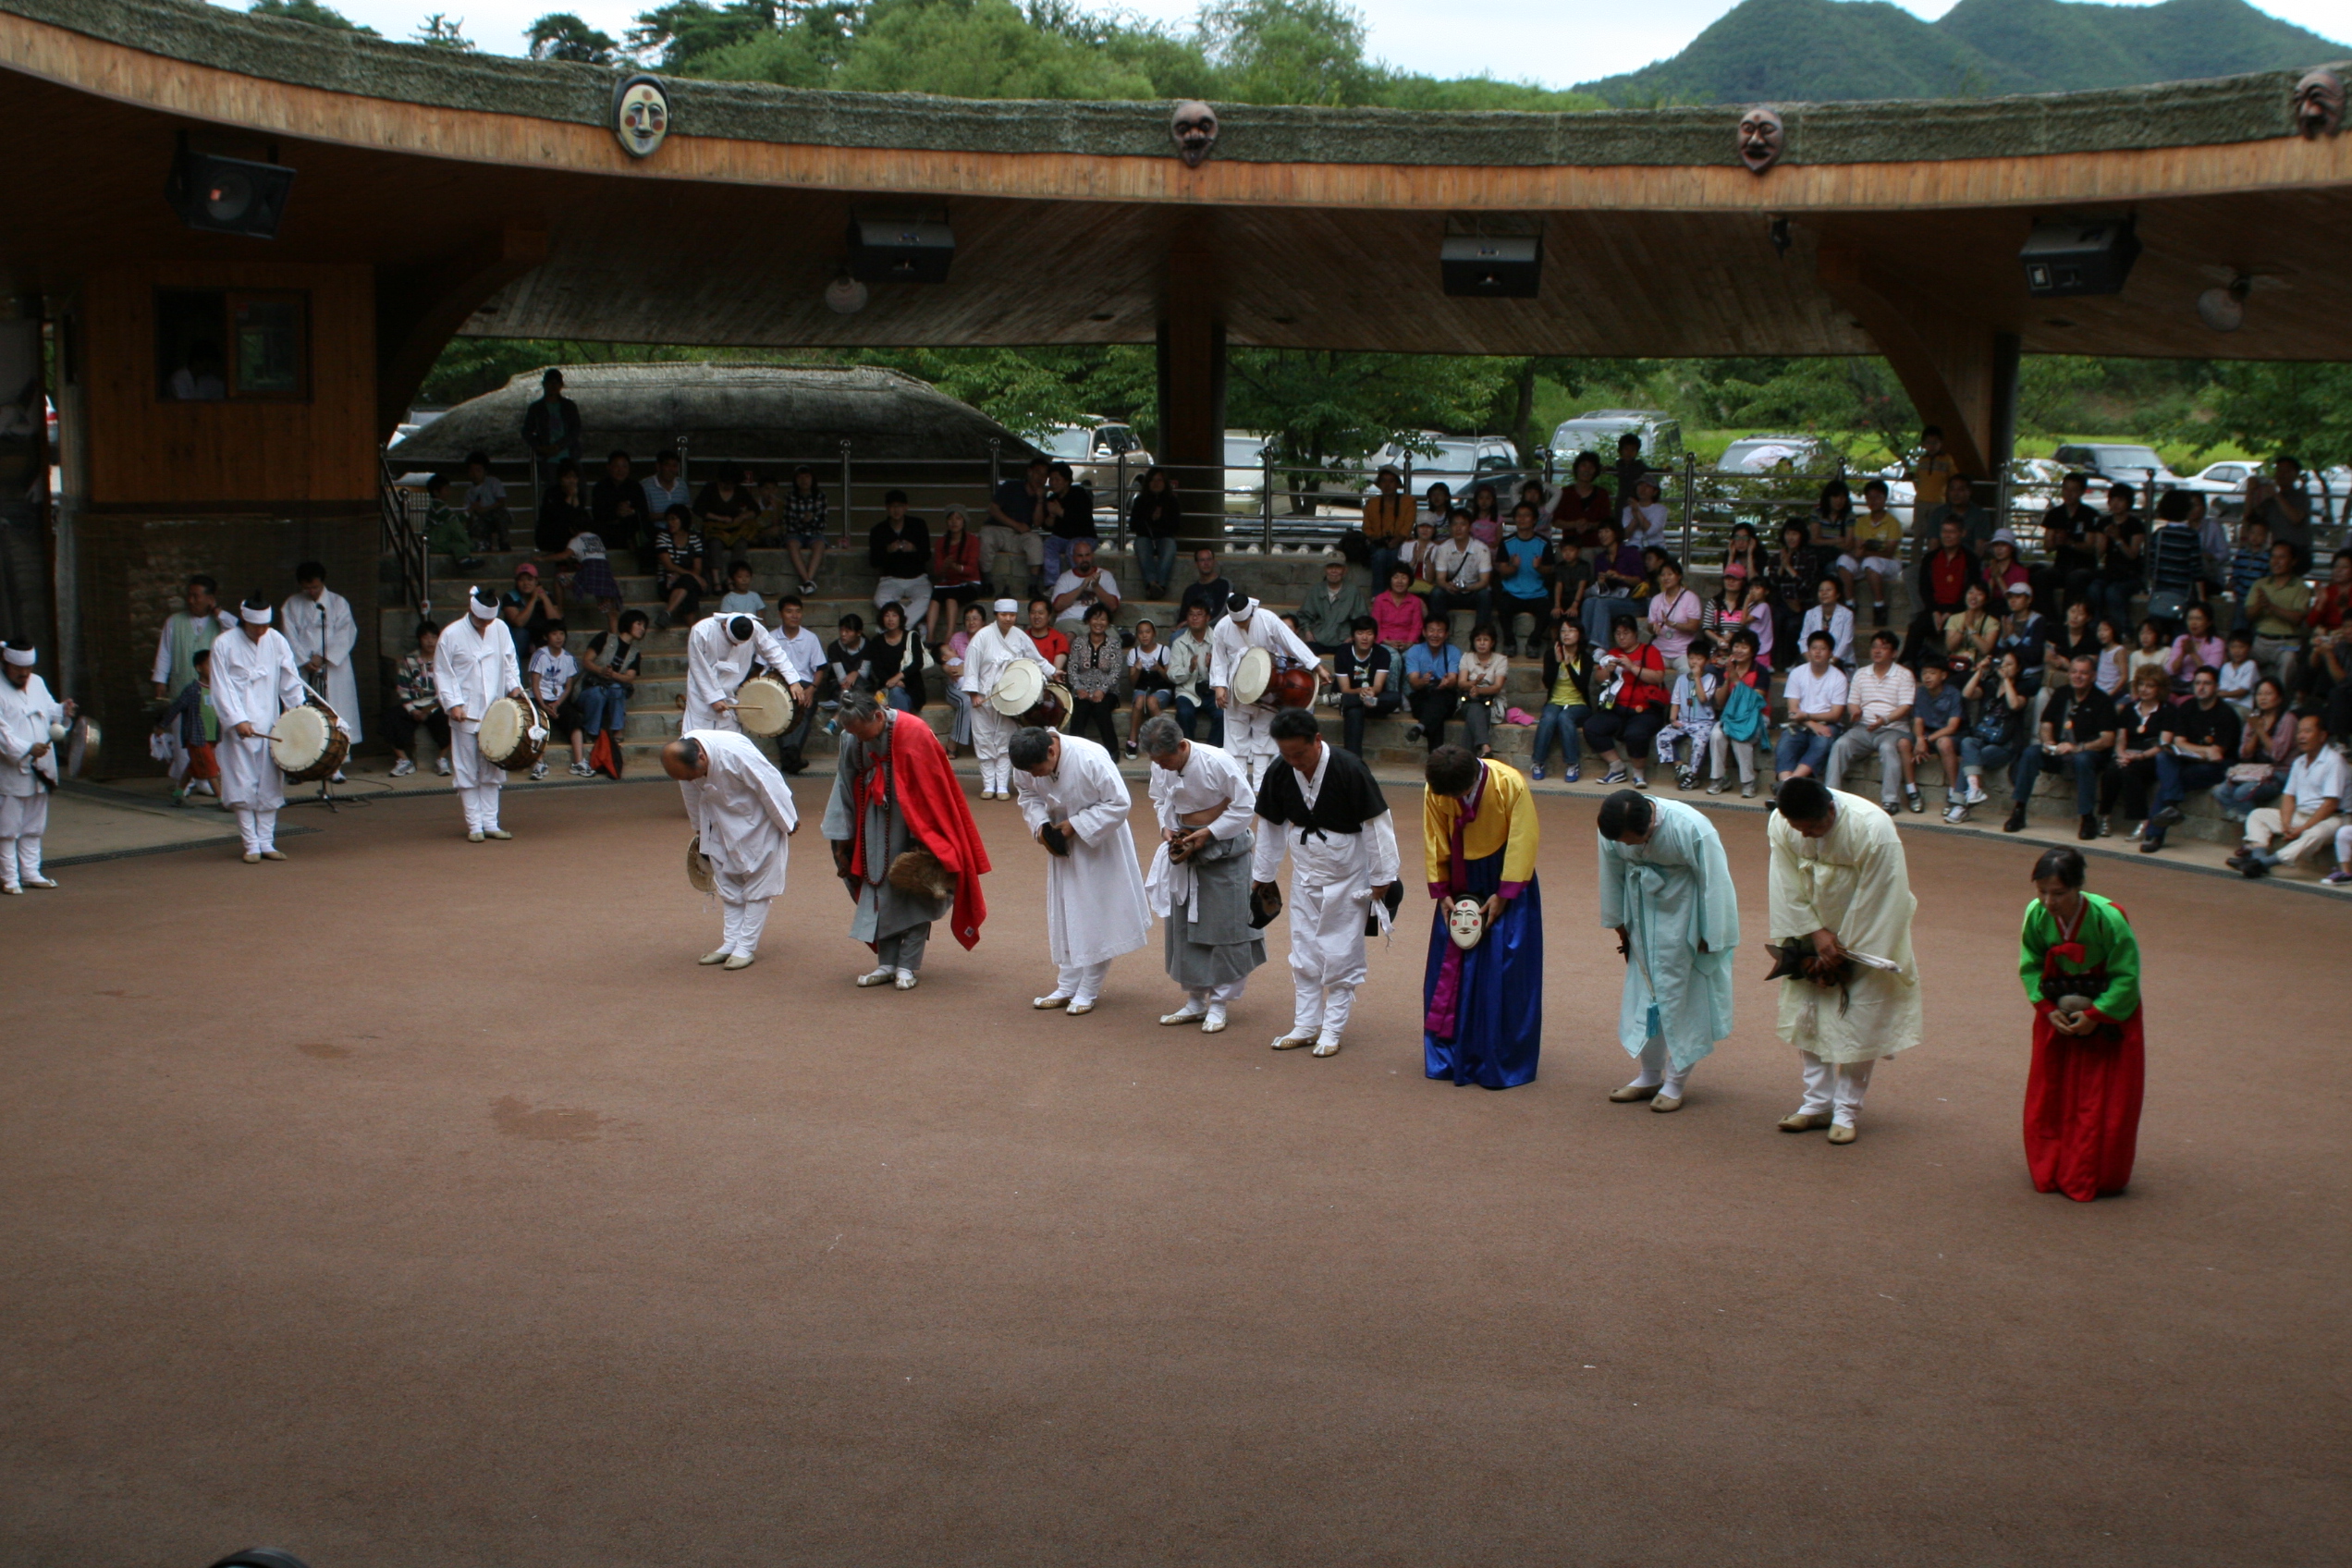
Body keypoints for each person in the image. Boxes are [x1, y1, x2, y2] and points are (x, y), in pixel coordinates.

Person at [1767, 778, 1921, 1143]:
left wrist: (1843, 955)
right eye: (1799, 829)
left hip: (1865, 935)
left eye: (1815, 828)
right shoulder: (1781, 823)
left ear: (1831, 810)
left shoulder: (1873, 828)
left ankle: (1846, 1111)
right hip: (1810, 928)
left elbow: (1883, 898)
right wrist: (1814, 935)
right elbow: (1785, 881)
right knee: (1810, 1017)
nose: (1808, 835)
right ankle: (1816, 1104)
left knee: (1857, 1020)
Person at [1250, 707, 1401, 1059]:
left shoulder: (1349, 768)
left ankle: (1331, 1029)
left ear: (1318, 740)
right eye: (1286, 755)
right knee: (1304, 951)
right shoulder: (1280, 771)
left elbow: (1377, 825)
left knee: (1340, 952)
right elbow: (1271, 826)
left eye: (1299, 754)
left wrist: (1382, 878)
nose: (1294, 762)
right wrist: (1263, 875)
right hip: (1305, 875)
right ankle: (1305, 1024)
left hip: (1349, 878)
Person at [824, 693, 990, 988]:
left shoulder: (914, 730)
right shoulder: (852, 737)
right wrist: (842, 838)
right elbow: (844, 783)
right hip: (871, 822)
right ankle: (887, 963)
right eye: (852, 734)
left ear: (878, 716)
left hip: (918, 825)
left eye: (861, 732)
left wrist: (926, 840)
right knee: (878, 890)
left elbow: (935, 788)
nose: (858, 739)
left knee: (915, 888)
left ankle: (908, 966)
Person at [1595, 790, 1739, 1112]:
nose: (1630, 846)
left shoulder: (1691, 827)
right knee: (1646, 993)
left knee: (1682, 995)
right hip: (1640, 914)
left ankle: (1675, 1080)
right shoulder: (1613, 826)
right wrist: (1620, 923)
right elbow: (1612, 872)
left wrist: (1711, 934)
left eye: (1635, 841)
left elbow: (1716, 882)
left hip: (1686, 915)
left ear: (1650, 824)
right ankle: (1649, 1074)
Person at [2018, 846, 2146, 1201]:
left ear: (2078, 888)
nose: (2048, 902)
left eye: (2058, 893)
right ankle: (2052, 1166)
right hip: (2056, 1014)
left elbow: (2126, 975)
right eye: (2041, 892)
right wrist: (2045, 1008)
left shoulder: (2109, 918)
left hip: (2108, 1018)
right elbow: (2030, 964)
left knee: (2102, 1098)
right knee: (2051, 1091)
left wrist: (2095, 1015)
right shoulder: (2036, 914)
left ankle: (2098, 1173)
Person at [1420, 743, 1542, 1088]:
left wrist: (1506, 893)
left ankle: (1499, 1058)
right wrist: (1442, 891)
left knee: (1504, 969)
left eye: (1462, 792)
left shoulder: (1509, 783)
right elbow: (1433, 836)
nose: (1455, 799)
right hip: (1459, 883)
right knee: (1452, 964)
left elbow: (1524, 838)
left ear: (1475, 775)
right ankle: (1451, 1054)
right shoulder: (1435, 787)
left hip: (1504, 880)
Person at [1136, 717, 1264, 1033]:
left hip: (1224, 848)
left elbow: (1245, 806)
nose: (1162, 767)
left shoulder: (1217, 761)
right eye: (1156, 762)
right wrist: (1166, 827)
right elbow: (1159, 798)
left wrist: (1210, 832)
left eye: (1166, 760)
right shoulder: (1161, 765)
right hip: (1184, 846)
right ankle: (1194, 1000)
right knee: (1185, 927)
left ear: (1181, 746)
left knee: (1225, 928)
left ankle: (1219, 1004)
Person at [1011, 726, 1149, 1015]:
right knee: (1067, 911)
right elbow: (1027, 794)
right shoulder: (1026, 765)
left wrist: (1077, 825)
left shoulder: (1091, 757)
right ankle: (1067, 984)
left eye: (1038, 770)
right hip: (1063, 846)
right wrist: (1042, 827)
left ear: (1051, 749)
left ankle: (1089, 989)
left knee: (1097, 914)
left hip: (1101, 843)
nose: (1035, 776)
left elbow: (1120, 803)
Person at [667, 729, 797, 971]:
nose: (689, 780)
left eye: (692, 774)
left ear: (702, 758)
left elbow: (769, 783)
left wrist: (787, 819)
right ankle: (730, 943)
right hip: (718, 819)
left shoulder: (735, 752)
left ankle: (745, 947)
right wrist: (699, 828)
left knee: (759, 883)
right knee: (727, 881)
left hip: (759, 819)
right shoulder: (686, 757)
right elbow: (691, 793)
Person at [209, 598, 308, 863]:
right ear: (244, 621)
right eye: (255, 626)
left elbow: (290, 678)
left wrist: (298, 712)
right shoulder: (224, 643)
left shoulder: (275, 640)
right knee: (242, 782)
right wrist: (236, 719)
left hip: (270, 721)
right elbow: (221, 686)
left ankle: (267, 841)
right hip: (238, 725)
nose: (260, 631)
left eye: (264, 626)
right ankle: (250, 844)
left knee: (269, 783)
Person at [435, 586, 526, 842]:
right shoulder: (451, 634)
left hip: (494, 710)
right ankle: (475, 825)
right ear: (471, 612)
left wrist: (515, 687)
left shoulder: (500, 628)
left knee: (493, 767)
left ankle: (491, 822)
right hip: (465, 710)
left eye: (489, 620)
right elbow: (442, 672)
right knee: (466, 768)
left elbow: (509, 661)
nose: (486, 625)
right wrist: (453, 704)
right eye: (482, 621)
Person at [2003, 655, 2118, 841]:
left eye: (2083, 673)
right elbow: (2046, 724)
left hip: (2088, 755)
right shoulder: (2061, 693)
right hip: (2059, 752)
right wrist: (2049, 742)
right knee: (2031, 752)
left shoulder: (2102, 700)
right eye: (2074, 672)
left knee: (2083, 759)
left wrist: (2078, 748)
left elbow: (2108, 739)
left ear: (2093, 676)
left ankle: (2087, 818)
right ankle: (2018, 810)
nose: (2078, 676)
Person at [1210, 594, 1317, 790]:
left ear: (1251, 612)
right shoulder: (1223, 626)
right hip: (1237, 685)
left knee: (1264, 736)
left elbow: (1291, 642)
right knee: (1236, 739)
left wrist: (1315, 665)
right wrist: (1219, 686)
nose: (1241, 626)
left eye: (1244, 621)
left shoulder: (1267, 619)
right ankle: (1239, 787)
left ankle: (1261, 787)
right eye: (1238, 623)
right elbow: (1219, 658)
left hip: (1269, 682)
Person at [2138, 665, 2239, 853]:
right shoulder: (2187, 707)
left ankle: (2155, 834)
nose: (2201, 687)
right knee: (2163, 757)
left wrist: (2201, 751)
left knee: (2170, 783)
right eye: (2198, 683)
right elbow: (2179, 741)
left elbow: (2217, 753)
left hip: (2217, 767)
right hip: (2188, 759)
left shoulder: (2226, 714)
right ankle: (2170, 807)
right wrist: (2203, 750)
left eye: (2207, 683)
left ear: (2217, 686)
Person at [2230, 712, 2342, 878]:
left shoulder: (2334, 761)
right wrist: (2286, 823)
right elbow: (2288, 795)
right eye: (2299, 732)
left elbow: (2330, 804)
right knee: (2258, 815)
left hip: (2332, 818)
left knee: (2315, 834)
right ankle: (2258, 860)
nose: (2301, 736)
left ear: (2322, 736)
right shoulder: (2299, 762)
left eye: (2307, 731)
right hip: (2302, 815)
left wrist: (2303, 829)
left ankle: (2263, 863)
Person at [149, 572, 232, 791]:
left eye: (197, 596)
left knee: (210, 741)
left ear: (210, 598)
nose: (191, 600)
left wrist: (217, 612)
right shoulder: (174, 622)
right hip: (182, 690)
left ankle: (207, 779)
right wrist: (160, 680)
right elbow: (164, 653)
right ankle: (186, 782)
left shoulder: (221, 624)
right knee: (183, 741)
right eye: (190, 595)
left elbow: (238, 628)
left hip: (212, 696)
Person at [962, 599, 1052, 800]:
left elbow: (1036, 660)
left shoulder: (1020, 637)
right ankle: (988, 784)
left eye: (1012, 615)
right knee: (983, 739)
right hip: (984, 697)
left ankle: (1002, 785)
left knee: (1005, 739)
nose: (1008, 619)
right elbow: (971, 666)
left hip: (1010, 698)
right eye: (1004, 615)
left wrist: (1054, 672)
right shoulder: (982, 637)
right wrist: (974, 694)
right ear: (996, 615)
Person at [0, 642, 72, 891]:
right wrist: (26, 748)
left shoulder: (38, 682)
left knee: (33, 824)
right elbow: (1, 732)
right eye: (18, 669)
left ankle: (31, 872)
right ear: (6, 664)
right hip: (10, 769)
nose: (24, 674)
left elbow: (51, 711)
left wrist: (64, 710)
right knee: (7, 827)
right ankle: (8, 877)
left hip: (41, 766)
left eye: (28, 669)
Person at [279, 561, 361, 775]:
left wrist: (323, 656)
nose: (311, 591)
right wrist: (303, 659)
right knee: (305, 712)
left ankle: (336, 764)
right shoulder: (292, 604)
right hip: (305, 666)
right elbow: (289, 635)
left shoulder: (338, 602)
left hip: (333, 667)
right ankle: (301, 762)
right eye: (307, 588)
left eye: (314, 587)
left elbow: (346, 633)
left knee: (335, 712)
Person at [1825, 630, 1917, 813]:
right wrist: (1855, 711)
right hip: (1864, 727)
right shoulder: (1861, 674)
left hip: (1894, 729)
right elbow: (1852, 701)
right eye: (1875, 647)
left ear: (1894, 653)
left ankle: (1890, 800)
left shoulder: (1904, 674)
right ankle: (1831, 795)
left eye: (1884, 648)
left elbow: (1906, 706)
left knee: (1888, 748)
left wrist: (1885, 720)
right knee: (1841, 744)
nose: (1877, 651)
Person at [682, 609, 805, 735]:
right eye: (732, 642)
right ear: (725, 625)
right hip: (702, 694)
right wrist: (714, 698)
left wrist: (793, 680)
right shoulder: (701, 630)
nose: (735, 646)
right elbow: (698, 667)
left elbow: (774, 651)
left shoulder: (754, 628)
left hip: (732, 692)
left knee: (730, 742)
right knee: (698, 739)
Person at [1584, 614, 1670, 788]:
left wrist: (1632, 667)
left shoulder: (1649, 651)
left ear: (1635, 634)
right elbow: (1598, 678)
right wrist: (1607, 670)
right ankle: (1616, 767)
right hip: (1617, 707)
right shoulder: (1613, 653)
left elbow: (1658, 677)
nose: (1621, 637)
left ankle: (1638, 773)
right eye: (1618, 634)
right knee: (1592, 727)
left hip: (1645, 709)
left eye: (1626, 633)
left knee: (1636, 733)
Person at [1952, 650, 2030, 822]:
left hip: (2005, 746)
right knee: (1967, 742)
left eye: (2010, 664)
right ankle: (1973, 790)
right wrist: (1980, 671)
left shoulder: (2023, 687)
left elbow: (2014, 704)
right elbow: (1967, 694)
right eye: (2003, 663)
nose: (2004, 667)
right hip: (1982, 739)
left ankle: (1959, 804)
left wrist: (2007, 681)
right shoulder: (1989, 685)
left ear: (2018, 669)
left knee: (1969, 759)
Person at [1772, 630, 1847, 794]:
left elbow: (1836, 714)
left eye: (1823, 648)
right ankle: (1787, 785)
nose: (1818, 652)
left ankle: (1786, 786)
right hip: (1800, 722)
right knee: (1785, 742)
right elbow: (1793, 709)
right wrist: (1811, 723)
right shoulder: (1797, 673)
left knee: (1823, 742)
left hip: (1827, 724)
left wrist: (1808, 718)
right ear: (1808, 651)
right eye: (1814, 648)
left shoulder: (1839, 678)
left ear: (1830, 653)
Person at [2100, 665, 2170, 838]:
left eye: (2150, 686)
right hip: (2129, 753)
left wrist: (2141, 756)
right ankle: (2105, 817)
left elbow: (2164, 744)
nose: (2144, 690)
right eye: (2141, 685)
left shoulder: (2168, 711)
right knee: (2111, 771)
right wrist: (2122, 754)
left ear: (2159, 689)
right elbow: (2121, 738)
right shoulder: (2130, 709)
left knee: (2130, 772)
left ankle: (2143, 820)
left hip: (2151, 756)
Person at [154, 646, 224, 802]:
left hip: (212, 736)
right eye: (209, 665)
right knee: (210, 767)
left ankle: (178, 794)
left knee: (193, 766)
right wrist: (162, 725)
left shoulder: (217, 690)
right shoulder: (193, 690)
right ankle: (221, 799)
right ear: (199, 668)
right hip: (197, 737)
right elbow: (176, 707)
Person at [1707, 628, 1770, 798]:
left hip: (1755, 717)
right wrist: (1728, 678)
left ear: (1753, 650)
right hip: (1731, 716)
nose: (1739, 650)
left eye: (1744, 647)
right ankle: (1718, 778)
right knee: (1716, 734)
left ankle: (1748, 782)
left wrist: (1736, 679)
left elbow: (1756, 701)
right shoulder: (1725, 669)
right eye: (1736, 646)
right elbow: (1719, 702)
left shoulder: (1761, 671)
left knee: (1739, 737)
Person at [1652, 636, 1721, 790]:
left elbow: (1703, 698)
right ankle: (1680, 767)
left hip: (1704, 722)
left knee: (1699, 743)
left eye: (1698, 658)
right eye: (1691, 658)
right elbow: (1675, 701)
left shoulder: (1710, 678)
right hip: (1684, 720)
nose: (1694, 662)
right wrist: (1672, 718)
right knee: (1662, 736)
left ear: (1707, 661)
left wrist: (1697, 678)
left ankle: (1694, 776)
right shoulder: (1681, 679)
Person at [579, 610, 643, 770]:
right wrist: (601, 671)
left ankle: (617, 730)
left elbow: (629, 677)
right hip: (589, 687)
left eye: (644, 626)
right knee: (598, 692)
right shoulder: (605, 638)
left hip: (612, 689)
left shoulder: (635, 653)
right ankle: (591, 731)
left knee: (616, 688)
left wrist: (612, 674)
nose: (642, 629)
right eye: (639, 624)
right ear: (628, 624)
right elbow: (587, 661)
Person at [1531, 618, 1594, 783]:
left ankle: (1572, 763)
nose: (1566, 634)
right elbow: (1547, 683)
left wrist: (1567, 664)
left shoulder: (1586, 658)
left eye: (1571, 630)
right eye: (1563, 631)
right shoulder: (1551, 654)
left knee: (1565, 718)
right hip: (1555, 701)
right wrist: (1557, 663)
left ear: (1579, 634)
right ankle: (1537, 761)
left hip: (1578, 704)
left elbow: (1581, 685)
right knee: (1548, 718)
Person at [526, 620, 587, 779]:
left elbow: (568, 687)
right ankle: (539, 763)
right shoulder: (539, 655)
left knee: (574, 719)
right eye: (554, 634)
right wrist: (544, 706)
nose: (559, 638)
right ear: (546, 637)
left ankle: (579, 761)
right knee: (535, 722)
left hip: (558, 700)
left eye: (561, 634)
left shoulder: (568, 658)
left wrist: (558, 703)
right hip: (539, 698)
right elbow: (535, 684)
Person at [1492, 505, 1553, 657]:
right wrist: (1513, 567)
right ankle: (1509, 642)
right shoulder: (1507, 541)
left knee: (1547, 609)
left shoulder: (1544, 542)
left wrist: (1538, 567)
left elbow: (1550, 570)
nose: (1522, 519)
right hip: (1513, 592)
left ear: (1534, 520)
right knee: (1502, 605)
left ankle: (1533, 642)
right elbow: (1502, 571)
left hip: (1536, 593)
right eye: (1519, 515)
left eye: (1527, 515)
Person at [867, 489, 932, 631]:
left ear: (906, 507)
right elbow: (874, 561)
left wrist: (913, 548)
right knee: (880, 599)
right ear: (887, 508)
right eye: (892, 506)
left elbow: (926, 555)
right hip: (891, 578)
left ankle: (896, 628)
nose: (896, 510)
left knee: (928, 598)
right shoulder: (879, 530)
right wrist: (888, 550)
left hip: (917, 577)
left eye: (899, 506)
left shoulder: (918, 525)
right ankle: (912, 625)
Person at [1332, 617, 1397, 758]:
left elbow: (1379, 685)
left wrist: (1371, 691)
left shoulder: (1382, 653)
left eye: (1369, 633)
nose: (1365, 637)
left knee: (1394, 698)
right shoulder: (1343, 653)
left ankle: (1348, 704)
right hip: (1352, 695)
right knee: (1354, 711)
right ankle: (1354, 762)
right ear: (1353, 636)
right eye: (1360, 633)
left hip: (1372, 701)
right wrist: (1361, 692)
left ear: (1375, 636)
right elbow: (1345, 689)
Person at [1844, 479, 1905, 625]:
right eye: (1869, 497)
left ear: (1885, 498)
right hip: (1867, 562)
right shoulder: (1861, 522)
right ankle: (1850, 603)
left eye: (1877, 497)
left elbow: (1889, 552)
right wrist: (1859, 552)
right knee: (1843, 560)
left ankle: (1879, 605)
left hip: (1889, 564)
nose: (1873, 500)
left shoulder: (1893, 522)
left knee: (1871, 562)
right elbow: (1858, 548)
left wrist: (1864, 552)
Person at [1065, 603, 1123, 753]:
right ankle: (1075, 752)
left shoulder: (1114, 644)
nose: (1099, 623)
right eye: (1095, 619)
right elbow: (1071, 669)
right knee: (1081, 709)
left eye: (1103, 619)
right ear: (1088, 621)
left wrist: (1102, 690)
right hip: (1082, 690)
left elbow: (1115, 672)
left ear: (1108, 623)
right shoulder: (1079, 643)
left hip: (1108, 692)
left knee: (1101, 709)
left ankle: (1112, 751)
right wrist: (1079, 689)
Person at [1907, 656, 1964, 812]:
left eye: (1932, 673)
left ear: (1943, 675)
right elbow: (1918, 721)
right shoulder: (1920, 692)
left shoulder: (1953, 693)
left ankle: (1954, 793)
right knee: (1903, 742)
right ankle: (1912, 791)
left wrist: (1926, 739)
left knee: (1944, 743)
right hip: (1926, 735)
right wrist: (1919, 738)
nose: (1927, 677)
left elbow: (1952, 727)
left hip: (1949, 735)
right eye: (1924, 673)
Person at [1403, 614, 1464, 753]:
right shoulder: (1414, 651)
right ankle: (1437, 758)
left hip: (1445, 695)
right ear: (1424, 632)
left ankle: (1420, 728)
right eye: (1431, 630)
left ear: (1446, 634)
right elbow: (1413, 683)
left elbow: (1453, 679)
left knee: (1440, 699)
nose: (1435, 635)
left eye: (1440, 631)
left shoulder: (1453, 651)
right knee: (1437, 713)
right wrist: (1422, 681)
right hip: (1422, 695)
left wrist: (1447, 682)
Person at [1164, 600, 1222, 746]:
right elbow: (1172, 675)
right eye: (1191, 615)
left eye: (1199, 614)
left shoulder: (1218, 640)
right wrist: (1189, 669)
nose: (1194, 618)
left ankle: (1212, 751)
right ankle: (1189, 750)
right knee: (1184, 713)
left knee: (1223, 715)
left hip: (1212, 691)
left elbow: (1227, 672)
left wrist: (1211, 668)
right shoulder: (1179, 642)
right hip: (1188, 690)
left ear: (1207, 618)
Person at [927, 506, 984, 644]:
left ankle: (949, 635)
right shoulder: (941, 542)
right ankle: (929, 637)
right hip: (949, 583)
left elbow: (971, 569)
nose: (954, 522)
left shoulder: (972, 540)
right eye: (951, 518)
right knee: (935, 597)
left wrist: (957, 567)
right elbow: (937, 571)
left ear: (964, 521)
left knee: (951, 597)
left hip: (969, 583)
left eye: (958, 518)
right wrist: (946, 565)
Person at [1039, 461, 1097, 587]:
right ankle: (1052, 585)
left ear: (1066, 481)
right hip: (1061, 538)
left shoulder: (1079, 494)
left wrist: (1060, 511)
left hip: (1085, 538)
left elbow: (1082, 518)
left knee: (1074, 547)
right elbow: (1046, 525)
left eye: (1057, 479)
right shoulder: (1052, 499)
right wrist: (1052, 515)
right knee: (1048, 545)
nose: (1053, 483)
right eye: (1051, 480)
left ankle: (1080, 584)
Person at [1427, 512, 1492, 624]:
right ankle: (1440, 629)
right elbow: (1440, 579)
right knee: (1437, 592)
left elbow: (1484, 581)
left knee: (1485, 594)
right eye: (1454, 524)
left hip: (1473, 591)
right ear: (1450, 528)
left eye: (1463, 524)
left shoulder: (1481, 549)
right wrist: (1447, 586)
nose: (1458, 528)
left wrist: (1469, 588)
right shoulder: (1443, 548)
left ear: (1470, 527)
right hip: (1453, 591)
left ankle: (1481, 633)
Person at [1128, 468, 1184, 598]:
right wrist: (1150, 517)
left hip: (1164, 537)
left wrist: (1161, 519)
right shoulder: (1140, 501)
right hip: (1145, 537)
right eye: (1153, 480)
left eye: (1159, 480)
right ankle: (1152, 584)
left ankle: (1160, 585)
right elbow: (1133, 525)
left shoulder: (1172, 502)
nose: (1156, 483)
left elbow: (1176, 526)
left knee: (1169, 548)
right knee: (1141, 546)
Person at [1296, 557, 1369, 655]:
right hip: (1318, 639)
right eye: (1330, 567)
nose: (1334, 571)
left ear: (1344, 570)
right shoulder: (1316, 590)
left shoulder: (1352, 591)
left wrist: (1352, 637)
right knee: (1305, 656)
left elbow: (1362, 619)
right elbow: (1304, 615)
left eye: (1338, 567)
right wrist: (1308, 632)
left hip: (1343, 641)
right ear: (1325, 570)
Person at [1457, 623, 1508, 760]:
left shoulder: (1501, 659)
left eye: (1485, 640)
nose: (1482, 643)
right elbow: (1461, 683)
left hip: (1493, 702)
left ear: (1492, 643)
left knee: (1475, 713)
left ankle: (1466, 759)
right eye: (1478, 640)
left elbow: (1497, 687)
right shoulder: (1467, 657)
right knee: (1475, 708)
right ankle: (1485, 747)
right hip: (1469, 699)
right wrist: (1474, 683)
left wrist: (1480, 690)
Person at [653, 505, 708, 630]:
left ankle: (667, 612)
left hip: (689, 582)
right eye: (668, 520)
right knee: (689, 587)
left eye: (674, 519)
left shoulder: (694, 539)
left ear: (683, 520)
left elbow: (697, 568)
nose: (670, 523)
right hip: (668, 584)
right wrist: (693, 576)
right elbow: (668, 565)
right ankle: (693, 629)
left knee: (688, 582)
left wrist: (691, 576)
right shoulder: (663, 537)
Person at [1359, 465, 1415, 588]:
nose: (1387, 485)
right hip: (1378, 543)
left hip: (1401, 543)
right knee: (1381, 555)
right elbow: (1366, 528)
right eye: (1383, 481)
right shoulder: (1372, 503)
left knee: (1390, 555)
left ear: (1397, 484)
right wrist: (1377, 539)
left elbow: (1408, 526)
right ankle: (1379, 595)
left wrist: (1396, 540)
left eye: (1391, 481)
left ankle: (1390, 592)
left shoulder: (1408, 502)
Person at [869, 601, 927, 717]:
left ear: (900, 618)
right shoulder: (877, 641)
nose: (891, 619)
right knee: (895, 693)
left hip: (911, 687)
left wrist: (897, 678)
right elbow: (877, 668)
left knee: (897, 695)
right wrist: (892, 683)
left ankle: (900, 727)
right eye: (887, 615)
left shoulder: (912, 636)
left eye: (894, 615)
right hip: (887, 687)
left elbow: (918, 663)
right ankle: (904, 728)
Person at [592, 450, 650, 562]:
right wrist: (616, 512)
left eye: (624, 466)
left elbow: (644, 511)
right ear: (609, 467)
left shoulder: (635, 486)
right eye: (616, 466)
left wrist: (630, 511)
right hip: (607, 529)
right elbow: (597, 513)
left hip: (630, 529)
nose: (621, 470)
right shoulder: (600, 487)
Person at [780, 465, 829, 594]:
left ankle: (807, 581)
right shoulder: (790, 496)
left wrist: (811, 520)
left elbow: (822, 522)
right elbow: (788, 522)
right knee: (791, 544)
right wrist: (803, 521)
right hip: (796, 533)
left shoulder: (820, 496)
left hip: (814, 533)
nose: (804, 480)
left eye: (807, 477)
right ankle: (808, 581)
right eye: (800, 477)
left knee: (820, 544)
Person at [1050, 537, 1121, 627]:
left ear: (1092, 556)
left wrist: (1096, 586)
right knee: (1069, 636)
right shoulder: (1065, 577)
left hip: (1097, 623)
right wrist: (1082, 587)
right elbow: (1057, 606)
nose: (1084, 559)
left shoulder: (1105, 575)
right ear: (1074, 558)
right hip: (1070, 621)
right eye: (1080, 556)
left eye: (1087, 555)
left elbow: (1113, 607)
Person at [1124, 618, 1171, 753]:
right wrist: (1137, 669)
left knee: (1151, 702)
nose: (1144, 636)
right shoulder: (1134, 653)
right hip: (1141, 688)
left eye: (1148, 632)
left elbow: (1169, 678)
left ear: (1154, 633)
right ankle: (1133, 739)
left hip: (1161, 688)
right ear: (1137, 635)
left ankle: (1164, 739)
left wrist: (1160, 669)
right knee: (1139, 701)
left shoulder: (1164, 650)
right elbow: (1132, 682)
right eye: (1140, 633)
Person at [521, 368, 582, 468]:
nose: (553, 386)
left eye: (556, 383)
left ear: (561, 385)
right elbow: (526, 431)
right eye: (550, 382)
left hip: (569, 456)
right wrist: (540, 447)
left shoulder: (569, 406)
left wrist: (559, 446)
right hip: (546, 458)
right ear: (544, 384)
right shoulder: (536, 408)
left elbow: (575, 430)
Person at [941, 603, 982, 753]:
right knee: (966, 701)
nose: (971, 622)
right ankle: (952, 745)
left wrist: (966, 669)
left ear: (983, 622)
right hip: (956, 687)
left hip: (980, 685)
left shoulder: (988, 640)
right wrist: (949, 669)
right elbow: (946, 662)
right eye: (968, 619)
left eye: (975, 619)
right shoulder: (957, 638)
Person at [535, 459, 593, 558]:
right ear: (560, 478)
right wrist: (569, 497)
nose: (571, 481)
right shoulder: (551, 493)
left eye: (574, 477)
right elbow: (556, 517)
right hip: (551, 534)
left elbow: (580, 518)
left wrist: (575, 499)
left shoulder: (580, 494)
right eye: (567, 477)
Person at [1550, 451, 1611, 542]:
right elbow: (1555, 521)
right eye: (1584, 465)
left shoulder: (1602, 494)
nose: (1587, 470)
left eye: (1591, 467)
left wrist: (1590, 525)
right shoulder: (1565, 492)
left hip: (1595, 546)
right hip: (1569, 547)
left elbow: (1607, 522)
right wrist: (1575, 524)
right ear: (1577, 468)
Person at [1799, 576, 1855, 668]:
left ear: (1837, 594)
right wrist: (1810, 660)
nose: (1824, 593)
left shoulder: (1847, 614)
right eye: (1821, 590)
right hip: (1814, 659)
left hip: (1838, 660)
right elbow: (1803, 639)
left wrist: (1831, 662)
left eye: (1828, 590)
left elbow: (1846, 642)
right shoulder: (1810, 613)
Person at [462, 450, 511, 552]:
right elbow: (468, 512)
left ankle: (504, 543)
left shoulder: (493, 482)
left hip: (496, 514)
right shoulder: (469, 492)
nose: (475, 474)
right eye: (472, 471)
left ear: (485, 471)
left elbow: (501, 501)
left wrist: (485, 509)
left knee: (500, 515)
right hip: (481, 519)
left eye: (478, 470)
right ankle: (483, 545)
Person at [1177, 548, 1236, 627]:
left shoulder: (1225, 584)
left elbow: (1221, 613)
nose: (1206, 563)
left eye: (1209, 559)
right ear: (1196, 564)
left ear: (1214, 561)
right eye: (1202, 560)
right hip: (1193, 628)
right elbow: (1183, 616)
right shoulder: (1190, 590)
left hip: (1216, 627)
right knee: (1175, 636)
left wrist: (1198, 624)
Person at [1024, 597, 1070, 672]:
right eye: (1033, 612)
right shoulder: (1022, 637)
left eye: (1041, 613)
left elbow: (1056, 671)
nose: (1036, 616)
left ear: (1049, 616)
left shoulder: (1059, 638)